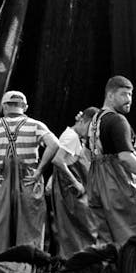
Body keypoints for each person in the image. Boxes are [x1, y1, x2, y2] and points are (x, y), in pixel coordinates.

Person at [0, 91, 59, 259]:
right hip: (29, 179)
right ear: (25, 107)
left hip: (0, 178)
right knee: (31, 230)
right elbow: (54, 144)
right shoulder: (36, 125)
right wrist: (39, 171)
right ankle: (30, 272)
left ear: (4, 106)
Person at [85, 76, 136, 242]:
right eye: (124, 94)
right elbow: (126, 157)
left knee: (107, 238)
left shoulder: (94, 120)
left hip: (97, 182)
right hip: (119, 183)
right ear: (110, 95)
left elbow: (87, 153)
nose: (129, 100)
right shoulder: (117, 120)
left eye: (131, 95)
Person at [49, 107, 100, 257]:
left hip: (72, 187)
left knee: (78, 228)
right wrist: (75, 182)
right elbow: (58, 160)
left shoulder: (75, 136)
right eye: (90, 127)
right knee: (77, 228)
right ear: (83, 121)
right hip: (70, 188)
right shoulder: (71, 136)